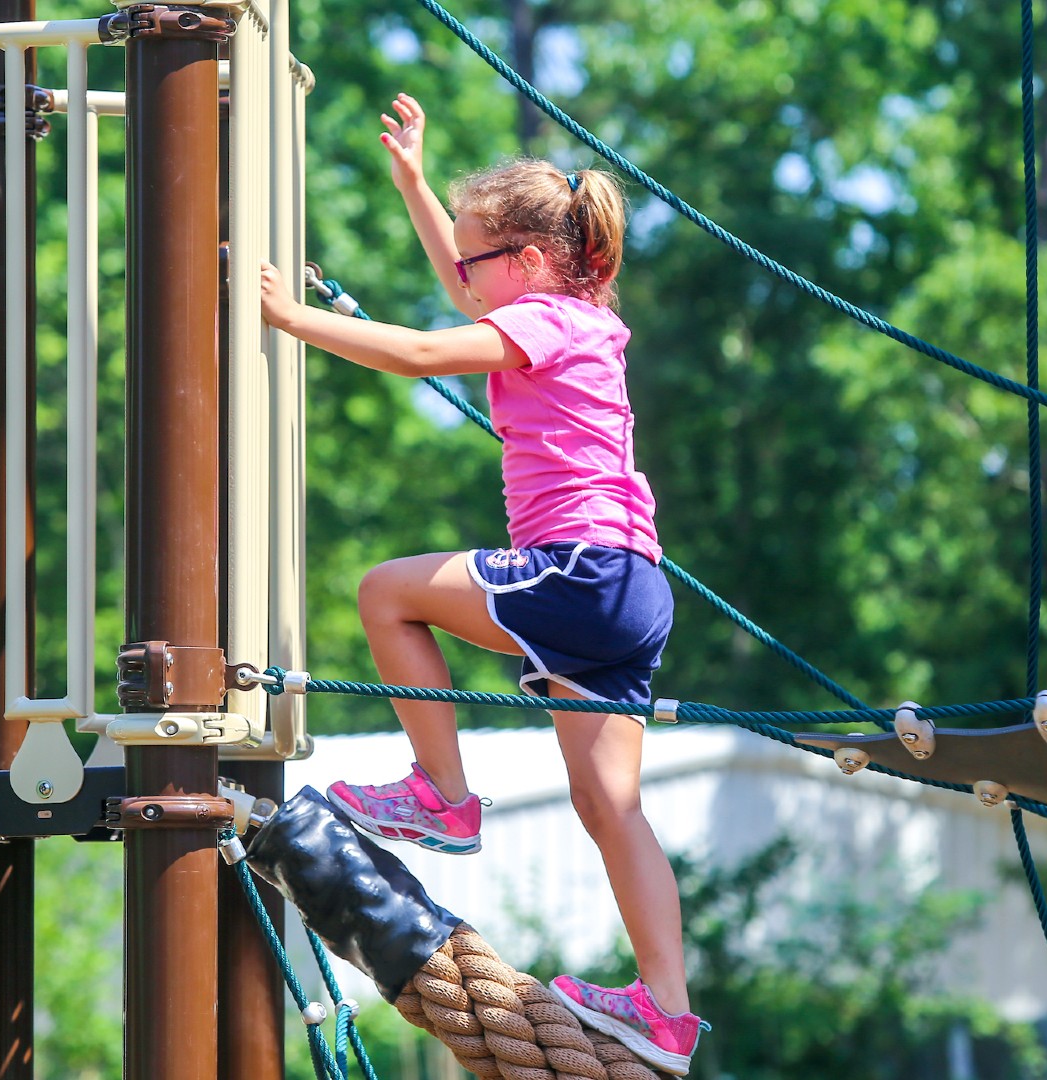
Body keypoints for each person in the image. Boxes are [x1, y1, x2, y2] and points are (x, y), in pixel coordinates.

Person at [258, 92, 709, 1076]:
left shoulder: (542, 320)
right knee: (610, 807)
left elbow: (423, 349)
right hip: (634, 588)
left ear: (532, 263)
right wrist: (415, 184)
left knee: (386, 592)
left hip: (579, 570)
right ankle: (667, 1008)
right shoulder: (577, 318)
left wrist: (288, 319)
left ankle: (442, 795)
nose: (463, 279)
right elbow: (463, 302)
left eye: (475, 261)